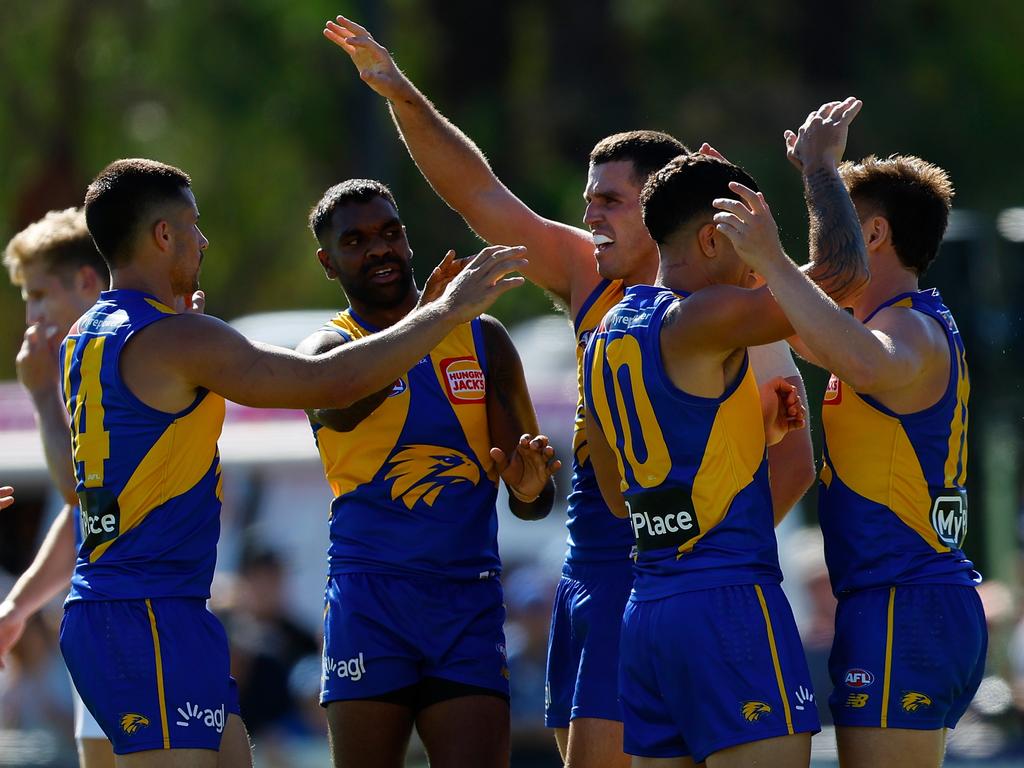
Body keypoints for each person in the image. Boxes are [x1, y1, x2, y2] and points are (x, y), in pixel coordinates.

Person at [323, 16, 815, 766]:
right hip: (584, 572)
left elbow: (794, 461)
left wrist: (684, 548)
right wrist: (401, 94)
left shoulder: (736, 304)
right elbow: (478, 193)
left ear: (664, 208)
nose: (589, 215)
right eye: (589, 201)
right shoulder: (592, 274)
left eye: (609, 202)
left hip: (657, 580)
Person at [57, 157, 527, 767]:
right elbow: (331, 382)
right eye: (193, 225)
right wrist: (445, 311)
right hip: (143, 612)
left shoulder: (87, 337)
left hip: (154, 609)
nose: (203, 240)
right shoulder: (179, 339)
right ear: (162, 236)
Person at [713, 98, 985, 768]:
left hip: (906, 603)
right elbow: (792, 324)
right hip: (895, 602)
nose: (826, 244)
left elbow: (860, 356)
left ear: (874, 236)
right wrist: (730, 226)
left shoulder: (905, 330)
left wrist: (778, 252)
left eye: (840, 228)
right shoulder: (876, 325)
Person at [582, 146, 870, 767]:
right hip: (729, 608)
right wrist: (820, 170)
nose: (757, 267)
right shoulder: (705, 316)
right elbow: (843, 277)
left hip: (649, 613)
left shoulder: (601, 338)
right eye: (748, 241)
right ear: (715, 239)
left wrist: (747, 439)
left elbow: (618, 496)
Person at [296, 179, 561, 768]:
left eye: (391, 232)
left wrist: (530, 487)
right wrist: (435, 320)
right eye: (356, 240)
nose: (379, 249)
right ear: (328, 263)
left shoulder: (484, 340)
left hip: (465, 602)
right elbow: (339, 397)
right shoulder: (326, 348)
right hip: (370, 600)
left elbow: (533, 493)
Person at [0, 207, 115, 768]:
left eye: (40, 295)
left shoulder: (123, 359)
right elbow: (87, 519)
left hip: (147, 615)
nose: (32, 314)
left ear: (87, 282)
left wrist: (42, 396)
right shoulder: (83, 369)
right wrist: (19, 606)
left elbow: (77, 493)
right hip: (102, 617)